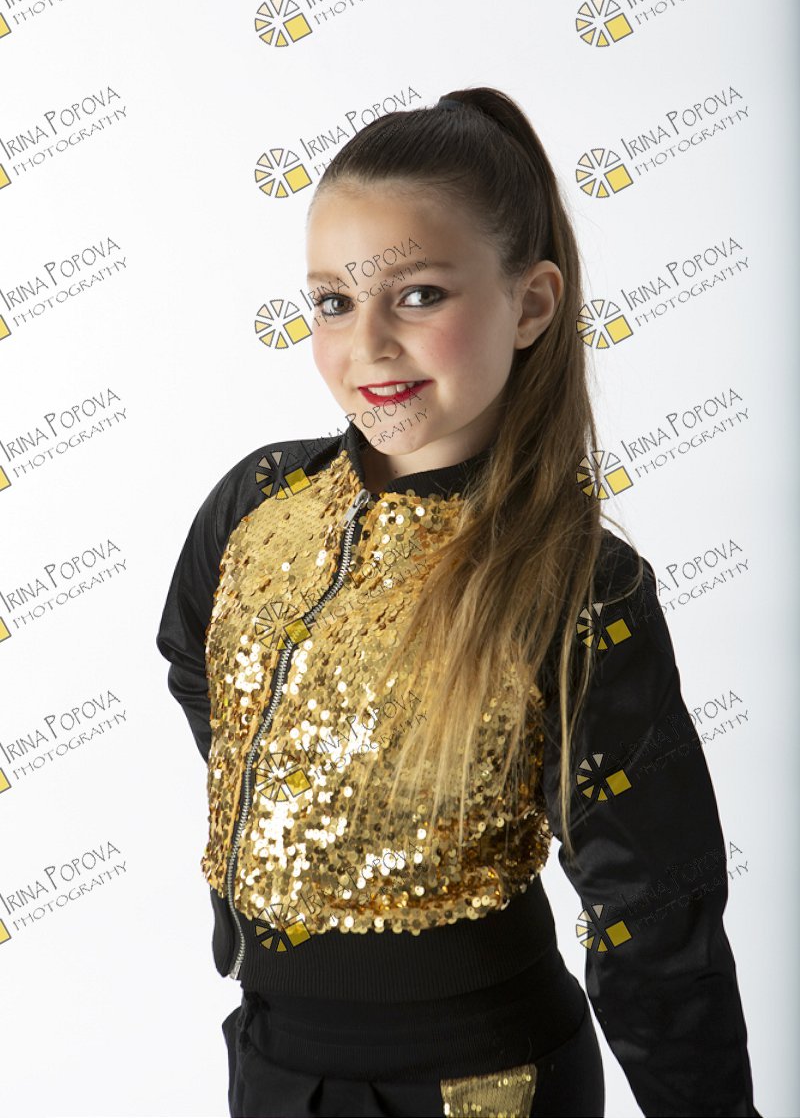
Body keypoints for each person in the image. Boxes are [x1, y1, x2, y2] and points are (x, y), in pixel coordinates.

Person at [156, 88, 761, 1118]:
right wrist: (321, 803)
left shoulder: (576, 583)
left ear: (530, 305)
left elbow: (653, 908)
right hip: (272, 1059)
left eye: (419, 294)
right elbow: (195, 661)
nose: (368, 344)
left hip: (482, 1080)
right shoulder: (258, 501)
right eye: (332, 302)